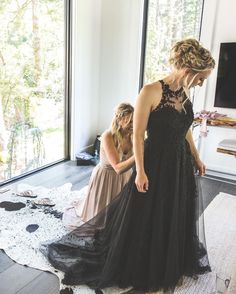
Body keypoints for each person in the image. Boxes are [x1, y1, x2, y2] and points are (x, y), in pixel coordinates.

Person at [41, 39, 215, 293]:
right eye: (201, 78)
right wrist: (141, 171)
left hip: (179, 161)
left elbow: (185, 129)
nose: (201, 83)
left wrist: (196, 157)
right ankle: (144, 260)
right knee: (148, 212)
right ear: (189, 71)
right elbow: (137, 135)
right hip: (155, 161)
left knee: (173, 207)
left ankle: (169, 258)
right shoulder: (150, 91)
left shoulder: (185, 92)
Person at [63, 103, 135, 228]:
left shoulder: (132, 135)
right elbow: (117, 167)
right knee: (101, 219)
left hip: (124, 178)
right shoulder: (108, 136)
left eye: (134, 121)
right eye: (129, 121)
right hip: (106, 178)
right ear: (119, 120)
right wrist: (140, 154)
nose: (133, 125)